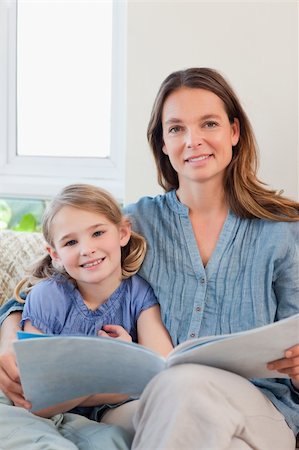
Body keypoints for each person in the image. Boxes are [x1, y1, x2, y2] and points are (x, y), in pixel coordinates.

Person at [0, 67, 299, 450]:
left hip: (260, 411)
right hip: (158, 409)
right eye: (176, 129)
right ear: (162, 142)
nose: (193, 141)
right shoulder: (133, 224)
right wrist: (10, 340)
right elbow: (42, 289)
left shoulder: (283, 231)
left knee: (184, 383)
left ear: (234, 132)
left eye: (209, 123)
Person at [0, 183, 173, 449]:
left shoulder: (139, 295)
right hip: (32, 411)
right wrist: (116, 374)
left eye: (98, 233)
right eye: (71, 242)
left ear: (123, 232)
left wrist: (129, 355)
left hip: (97, 415)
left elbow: (161, 371)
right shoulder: (47, 297)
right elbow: (36, 398)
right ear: (55, 254)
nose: (87, 249)